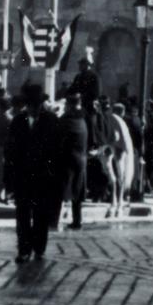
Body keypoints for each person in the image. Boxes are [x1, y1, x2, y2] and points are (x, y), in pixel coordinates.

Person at [3, 82, 65, 263]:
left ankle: (39, 248)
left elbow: (59, 151)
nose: (33, 109)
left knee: (41, 215)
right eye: (30, 105)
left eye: (36, 106)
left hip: (44, 178)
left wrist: (55, 177)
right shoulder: (17, 122)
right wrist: (9, 179)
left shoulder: (52, 121)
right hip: (22, 177)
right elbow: (10, 151)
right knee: (22, 215)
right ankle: (23, 249)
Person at [61, 92, 89, 230]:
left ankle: (56, 218)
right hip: (81, 159)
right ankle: (77, 220)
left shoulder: (66, 120)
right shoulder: (83, 121)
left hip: (67, 159)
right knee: (77, 193)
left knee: (62, 189)